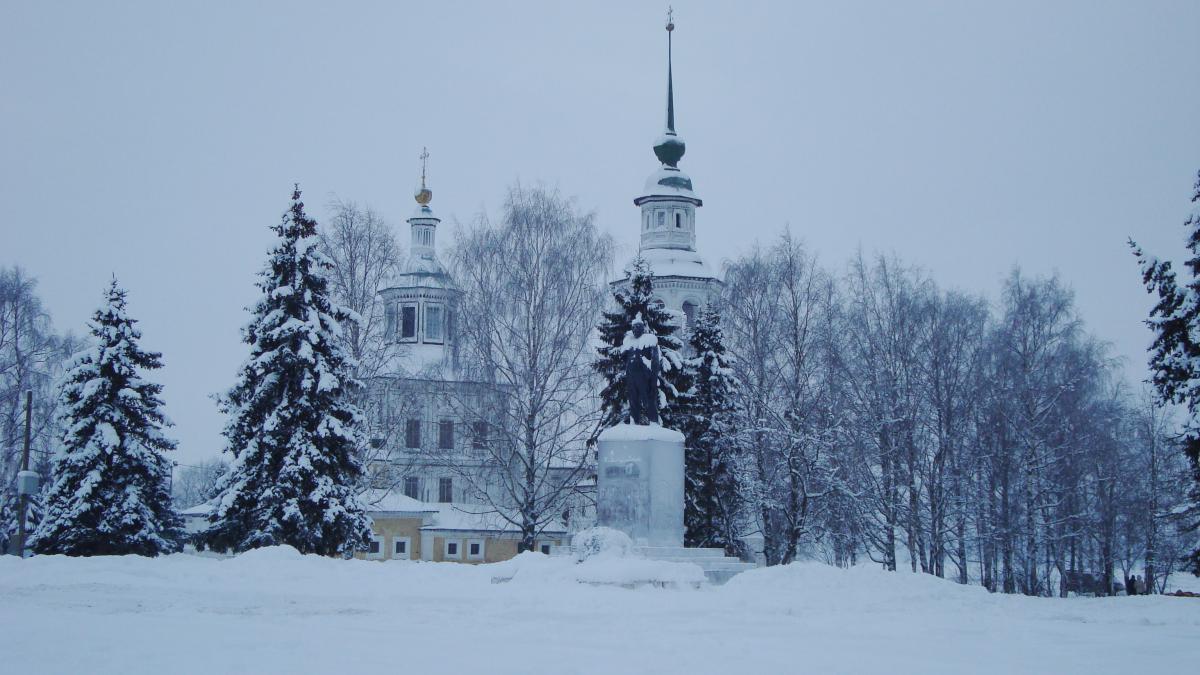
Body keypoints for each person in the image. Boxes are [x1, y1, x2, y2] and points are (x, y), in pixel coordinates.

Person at [623, 316, 661, 425]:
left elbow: (655, 361)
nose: (635, 329)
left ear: (642, 328)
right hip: (631, 377)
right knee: (633, 401)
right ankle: (634, 422)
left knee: (648, 400)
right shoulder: (628, 341)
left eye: (638, 327)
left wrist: (653, 379)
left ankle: (654, 423)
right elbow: (624, 358)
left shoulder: (650, 339)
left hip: (644, 377)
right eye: (633, 327)